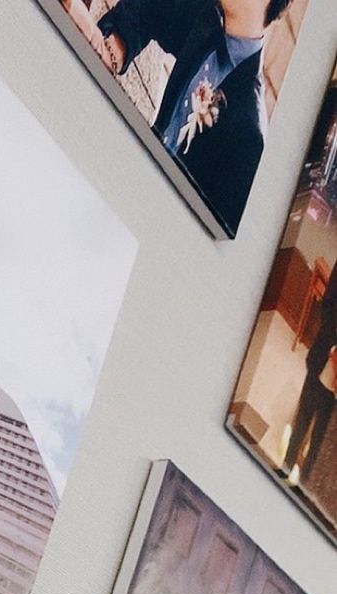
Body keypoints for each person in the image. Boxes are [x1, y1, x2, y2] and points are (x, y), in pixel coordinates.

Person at [59, 0, 291, 232]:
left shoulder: (249, 133)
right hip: (116, 187)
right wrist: (112, 49)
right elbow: (147, 11)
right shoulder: (206, 16)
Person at [286, 263, 337, 486]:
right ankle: (284, 469)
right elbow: (329, 304)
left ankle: (303, 484)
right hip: (324, 352)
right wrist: (334, 346)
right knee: (303, 418)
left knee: (321, 436)